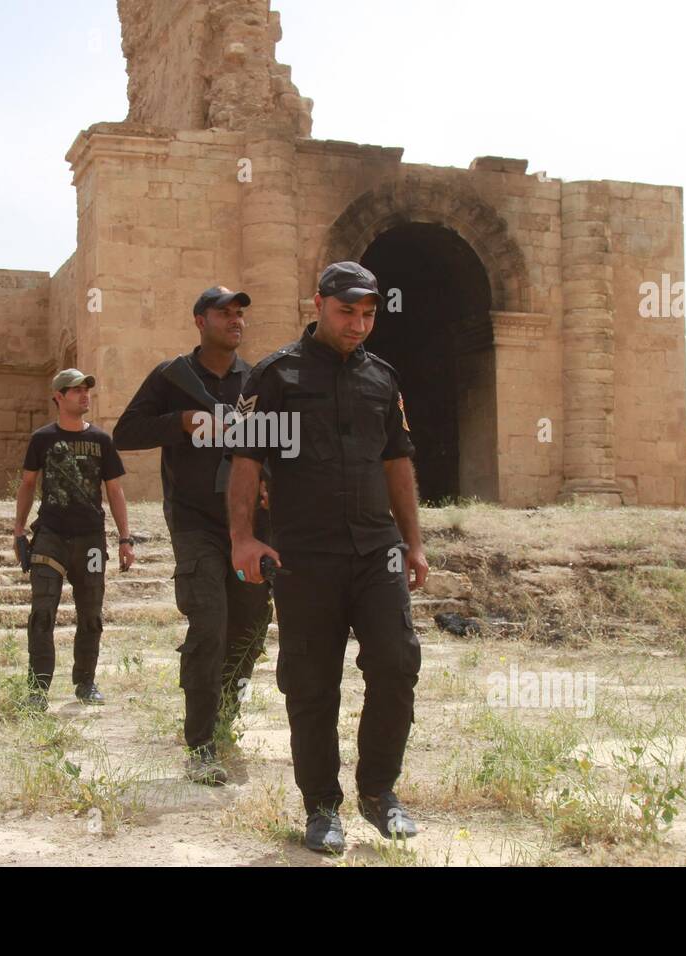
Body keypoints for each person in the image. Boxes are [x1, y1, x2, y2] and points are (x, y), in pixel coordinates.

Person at [226, 261, 429, 854]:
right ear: (317, 304)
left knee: (396, 662)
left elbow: (397, 464)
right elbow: (244, 462)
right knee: (312, 683)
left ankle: (379, 793)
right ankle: (322, 807)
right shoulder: (275, 376)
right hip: (304, 554)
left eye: (368, 315)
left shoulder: (383, 380)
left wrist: (413, 541)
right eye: (347, 312)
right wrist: (243, 539)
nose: (358, 325)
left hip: (375, 550)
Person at [114, 286, 273, 786]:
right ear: (199, 321)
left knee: (249, 628)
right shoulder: (172, 377)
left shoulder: (259, 380)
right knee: (209, 624)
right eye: (224, 313)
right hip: (194, 522)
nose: (235, 320)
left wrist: (272, 481)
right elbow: (126, 433)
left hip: (249, 527)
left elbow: (282, 439)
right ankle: (202, 742)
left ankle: (226, 715)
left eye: (239, 313)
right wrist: (181, 422)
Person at [13, 368, 134, 709]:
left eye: (86, 390)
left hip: (91, 539)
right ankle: (37, 690)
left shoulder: (101, 440)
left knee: (91, 614)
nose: (84, 395)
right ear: (59, 397)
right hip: (50, 535)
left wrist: (126, 539)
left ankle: (86, 683)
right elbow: (27, 485)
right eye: (76, 390)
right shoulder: (42, 439)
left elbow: (114, 490)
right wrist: (19, 530)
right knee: (42, 612)